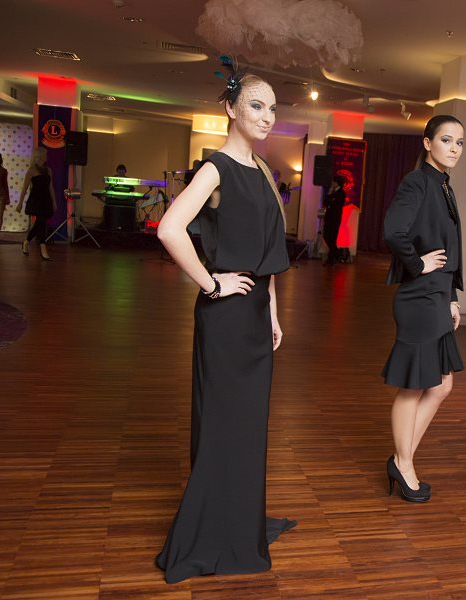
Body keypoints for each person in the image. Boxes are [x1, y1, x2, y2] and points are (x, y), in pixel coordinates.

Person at [154, 69, 296, 584]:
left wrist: (272, 312)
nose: (267, 117)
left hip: (255, 315)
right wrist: (211, 284)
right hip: (226, 318)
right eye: (257, 105)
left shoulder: (262, 171)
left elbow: (269, 257)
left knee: (247, 428)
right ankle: (212, 532)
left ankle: (238, 521)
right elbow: (169, 229)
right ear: (231, 109)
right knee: (222, 426)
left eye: (273, 108)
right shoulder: (216, 168)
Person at [381, 115, 465, 503]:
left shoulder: (443, 186)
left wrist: (452, 296)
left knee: (442, 384)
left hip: (436, 296)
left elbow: (450, 250)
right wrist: (418, 264)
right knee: (415, 386)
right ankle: (404, 463)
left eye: (459, 142)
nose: (454, 148)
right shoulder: (417, 181)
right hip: (418, 298)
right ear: (428, 143)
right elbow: (392, 232)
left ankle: (402, 459)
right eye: (446, 140)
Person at [15, 147, 56, 260]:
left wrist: (54, 202)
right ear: (39, 156)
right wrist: (20, 203)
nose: (46, 156)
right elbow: (25, 188)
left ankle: (26, 242)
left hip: (46, 199)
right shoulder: (31, 170)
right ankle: (43, 247)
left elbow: (51, 187)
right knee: (41, 222)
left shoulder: (48, 170)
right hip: (36, 199)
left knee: (39, 223)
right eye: (45, 154)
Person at [322, 174, 346, 265]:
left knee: (332, 238)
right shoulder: (332, 192)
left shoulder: (341, 193)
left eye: (333, 181)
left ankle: (331, 260)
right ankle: (338, 254)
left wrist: (330, 202)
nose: (331, 183)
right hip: (328, 218)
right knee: (326, 236)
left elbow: (336, 205)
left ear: (337, 182)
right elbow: (325, 203)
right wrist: (329, 196)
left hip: (335, 219)